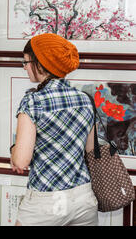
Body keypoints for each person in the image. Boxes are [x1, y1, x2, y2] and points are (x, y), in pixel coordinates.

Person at [11, 33, 98, 226]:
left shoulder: (33, 101)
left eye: (26, 62)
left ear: (40, 64)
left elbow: (20, 161)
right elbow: (90, 149)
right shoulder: (85, 99)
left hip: (45, 202)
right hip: (83, 199)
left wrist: (14, 150)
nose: (24, 67)